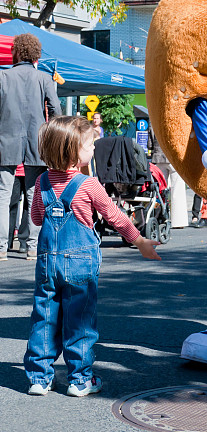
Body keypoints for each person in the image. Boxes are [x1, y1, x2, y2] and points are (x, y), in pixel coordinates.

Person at [24, 116, 161, 396]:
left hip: (47, 263)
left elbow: (37, 219)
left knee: (44, 317)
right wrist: (141, 242)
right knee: (80, 321)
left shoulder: (42, 182)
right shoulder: (89, 185)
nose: (94, 148)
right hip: (80, 264)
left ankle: (39, 377)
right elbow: (115, 217)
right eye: (90, 145)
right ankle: (79, 379)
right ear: (74, 152)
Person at [0, 33, 62, 261]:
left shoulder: (3, 77)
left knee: (3, 195)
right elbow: (56, 110)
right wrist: (49, 134)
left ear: (15, 52)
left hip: (5, 142)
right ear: (35, 54)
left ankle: (1, 249)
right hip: (37, 142)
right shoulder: (44, 78)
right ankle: (32, 247)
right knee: (34, 194)